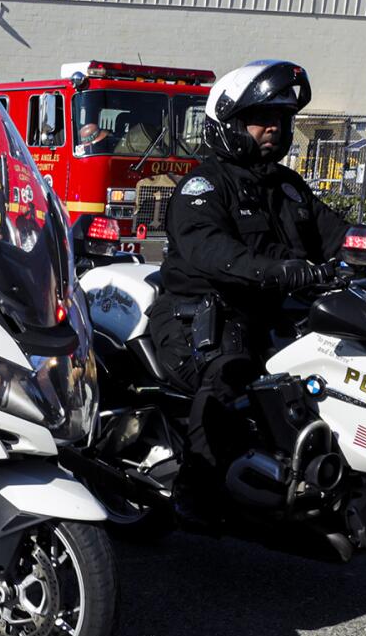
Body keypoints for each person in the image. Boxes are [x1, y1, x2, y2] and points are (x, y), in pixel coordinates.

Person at [145, 59, 348, 483]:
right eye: (260, 118)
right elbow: (212, 250)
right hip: (202, 316)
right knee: (227, 376)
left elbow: (338, 236)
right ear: (230, 123)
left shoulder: (289, 187)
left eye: (280, 118)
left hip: (274, 313)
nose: (273, 127)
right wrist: (282, 271)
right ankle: (197, 487)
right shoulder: (203, 187)